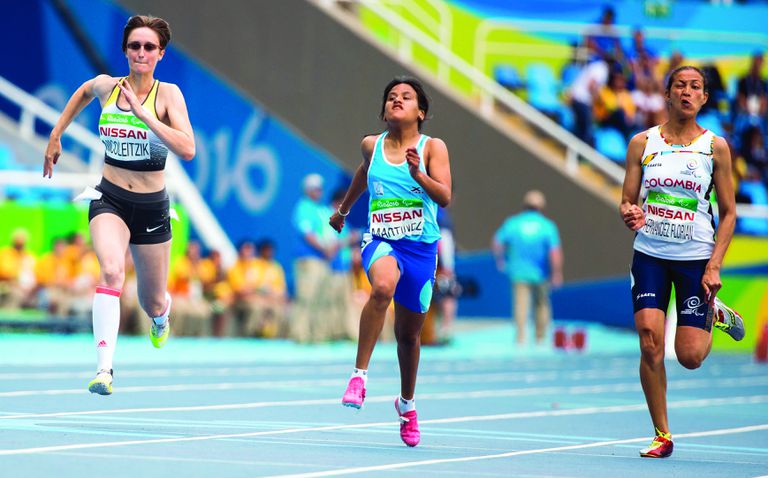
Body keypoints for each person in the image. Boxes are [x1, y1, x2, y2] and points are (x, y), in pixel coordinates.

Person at [43, 15, 195, 395]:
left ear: (160, 54)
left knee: (151, 299)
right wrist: (56, 133)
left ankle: (161, 315)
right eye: (134, 46)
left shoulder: (168, 95)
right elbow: (82, 92)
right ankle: (104, 370)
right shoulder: (107, 87)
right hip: (109, 197)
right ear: (125, 51)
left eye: (148, 47)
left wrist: (145, 116)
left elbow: (188, 149)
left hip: (151, 206)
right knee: (111, 272)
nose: (140, 53)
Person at [620, 66, 745, 458]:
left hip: (695, 259)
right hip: (650, 254)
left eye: (695, 87)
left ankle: (715, 314)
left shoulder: (715, 147)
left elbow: (728, 213)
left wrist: (714, 265)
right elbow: (627, 200)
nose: (687, 92)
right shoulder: (642, 142)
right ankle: (662, 433)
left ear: (704, 98)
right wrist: (629, 213)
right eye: (680, 86)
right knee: (649, 341)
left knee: (689, 357)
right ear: (668, 94)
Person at [329, 76, 451, 447]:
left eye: (407, 97)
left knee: (409, 336)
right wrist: (344, 210)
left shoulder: (433, 148)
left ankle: (407, 404)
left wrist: (418, 174)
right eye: (391, 97)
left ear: (421, 112)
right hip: (381, 239)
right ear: (384, 110)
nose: (397, 100)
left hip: (420, 248)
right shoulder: (372, 145)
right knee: (381, 287)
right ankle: (359, 376)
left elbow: (444, 197)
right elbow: (364, 172)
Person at [492, 190, 563, 346]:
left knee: (520, 305)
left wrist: (500, 260)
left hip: (518, 271)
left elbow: (497, 242)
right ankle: (540, 337)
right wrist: (556, 272)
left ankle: (520, 337)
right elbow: (554, 252)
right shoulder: (547, 226)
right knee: (542, 305)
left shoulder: (513, 223)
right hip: (541, 272)